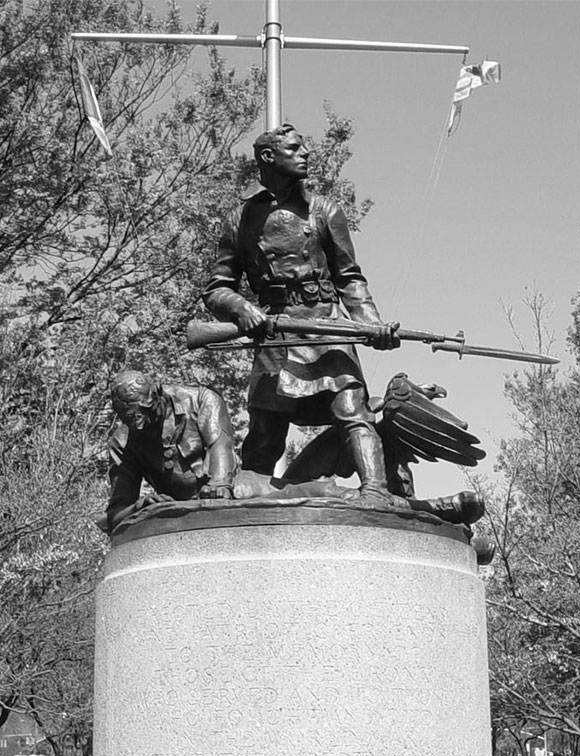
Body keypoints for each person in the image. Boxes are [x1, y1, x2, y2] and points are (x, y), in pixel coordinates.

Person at [202, 123, 399, 501]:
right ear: (268, 158)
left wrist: (371, 326)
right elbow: (216, 288)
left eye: (303, 147)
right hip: (276, 334)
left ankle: (376, 492)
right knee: (264, 433)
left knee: (353, 410)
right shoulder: (239, 219)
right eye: (294, 148)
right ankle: (245, 506)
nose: (305, 153)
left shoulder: (325, 211)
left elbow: (350, 279)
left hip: (327, 329)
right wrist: (241, 308)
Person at [105, 371, 236, 533]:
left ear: (158, 394)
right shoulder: (122, 442)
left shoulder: (201, 399)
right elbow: (115, 516)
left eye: (145, 413)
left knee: (260, 497)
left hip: (229, 488)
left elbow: (220, 445)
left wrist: (220, 484)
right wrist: (140, 507)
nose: (138, 427)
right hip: (176, 513)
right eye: (129, 419)